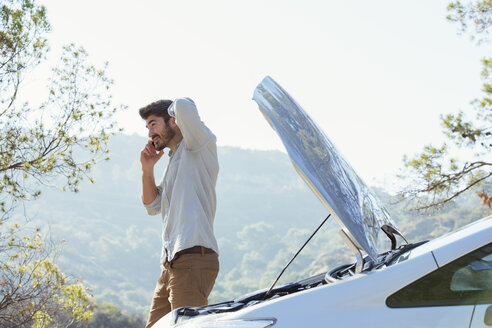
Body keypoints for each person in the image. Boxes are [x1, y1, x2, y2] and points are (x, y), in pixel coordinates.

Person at [139, 98, 220, 328]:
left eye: (153, 124)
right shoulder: (174, 160)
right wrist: (147, 170)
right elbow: (152, 206)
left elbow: (184, 105)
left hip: (193, 259)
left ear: (173, 121)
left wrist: (174, 110)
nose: (150, 134)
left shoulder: (199, 144)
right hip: (170, 264)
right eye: (148, 127)